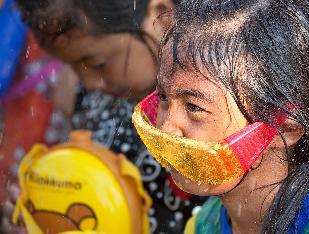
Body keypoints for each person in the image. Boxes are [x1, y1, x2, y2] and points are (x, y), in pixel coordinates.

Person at [133, 0, 309, 233]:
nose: (166, 128)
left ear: (287, 126)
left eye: (194, 107)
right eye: (163, 97)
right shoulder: (204, 224)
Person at [6, 0, 206, 233]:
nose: (89, 82)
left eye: (98, 64)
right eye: (72, 66)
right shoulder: (86, 100)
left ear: (161, 15)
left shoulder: (211, 113)